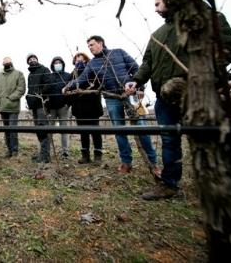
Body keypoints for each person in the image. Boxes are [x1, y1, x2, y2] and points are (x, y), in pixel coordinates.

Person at [125, 0, 231, 200]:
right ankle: (170, 184)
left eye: (157, 3)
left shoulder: (203, 20)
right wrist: (136, 80)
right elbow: (148, 63)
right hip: (164, 98)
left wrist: (203, 71)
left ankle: (220, 186)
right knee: (169, 140)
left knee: (207, 138)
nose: (155, 9)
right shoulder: (157, 35)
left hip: (196, 93)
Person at [63, 35, 159, 174]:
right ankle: (126, 162)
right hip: (111, 97)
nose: (90, 48)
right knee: (119, 131)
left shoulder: (118, 52)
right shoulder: (92, 64)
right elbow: (82, 79)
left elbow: (136, 69)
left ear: (101, 43)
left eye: (92, 44)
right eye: (88, 46)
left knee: (142, 128)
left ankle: (153, 163)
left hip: (131, 95)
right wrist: (68, 86)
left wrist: (139, 88)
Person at [68, 52, 104, 164]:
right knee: (83, 132)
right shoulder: (72, 74)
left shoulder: (93, 71)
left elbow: (98, 86)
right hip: (79, 108)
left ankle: (98, 156)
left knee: (95, 132)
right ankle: (85, 156)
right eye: (76, 58)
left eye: (81, 58)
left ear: (86, 60)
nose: (78, 60)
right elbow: (69, 89)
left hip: (92, 106)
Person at [0, 56, 26, 158]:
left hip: (13, 107)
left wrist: (10, 98)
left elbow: (21, 89)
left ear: (12, 63)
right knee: (6, 130)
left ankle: (15, 151)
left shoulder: (18, 74)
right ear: (3, 64)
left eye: (8, 62)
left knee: (12, 130)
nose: (6, 63)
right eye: (5, 62)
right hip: (2, 107)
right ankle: (9, 150)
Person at [25, 53, 52, 164]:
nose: (32, 60)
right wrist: (28, 99)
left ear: (37, 59)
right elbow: (30, 90)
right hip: (34, 105)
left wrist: (39, 95)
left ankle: (45, 156)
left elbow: (49, 84)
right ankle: (43, 154)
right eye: (30, 59)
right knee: (38, 129)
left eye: (34, 58)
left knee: (42, 129)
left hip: (42, 104)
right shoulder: (30, 74)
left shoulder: (44, 69)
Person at [46, 56, 72, 158]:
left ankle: (65, 152)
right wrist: (47, 106)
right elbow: (45, 91)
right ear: (52, 65)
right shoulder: (49, 77)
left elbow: (71, 90)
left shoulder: (68, 76)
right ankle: (47, 152)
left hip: (63, 107)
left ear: (63, 64)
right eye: (55, 63)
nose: (57, 64)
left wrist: (68, 104)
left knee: (64, 130)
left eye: (59, 62)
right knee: (49, 130)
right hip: (51, 108)